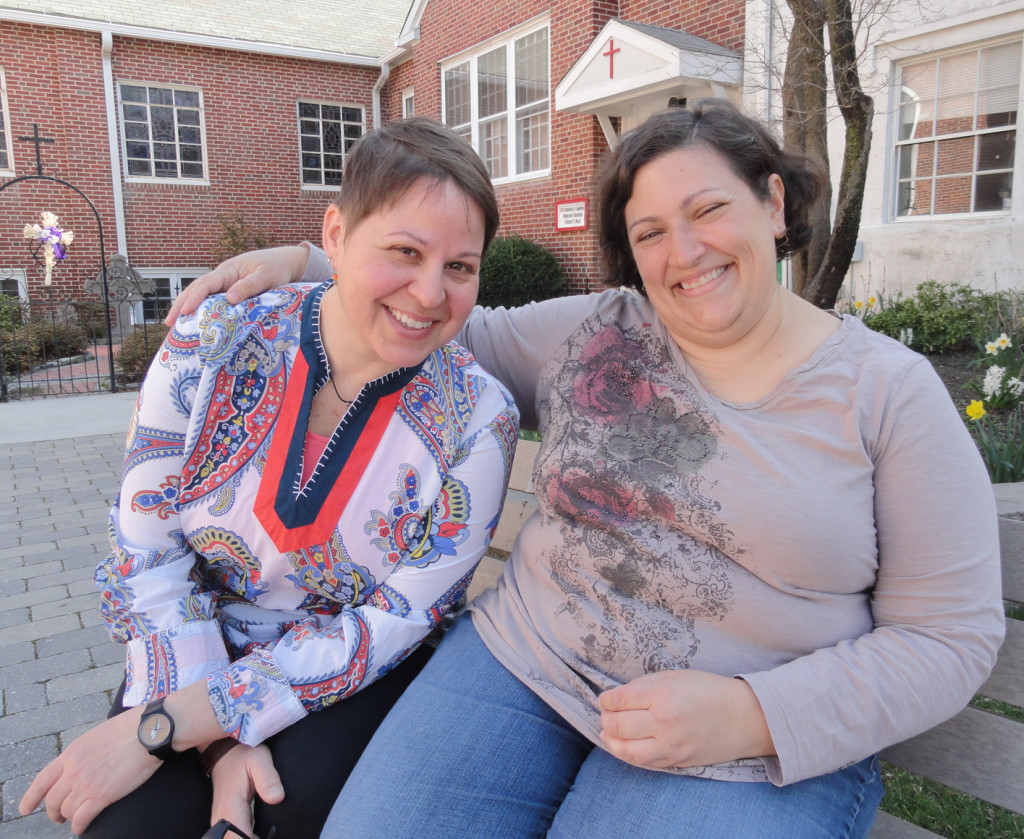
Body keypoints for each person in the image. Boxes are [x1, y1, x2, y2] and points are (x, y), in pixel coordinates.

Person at [164, 100, 1004, 838]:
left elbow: (950, 635)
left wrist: (753, 714)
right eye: (649, 233)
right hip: (519, 668)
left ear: (773, 203)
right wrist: (311, 262)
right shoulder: (601, 329)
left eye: (709, 209)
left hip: (751, 743)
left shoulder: (888, 392)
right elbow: (450, 319)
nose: (685, 251)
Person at [18, 117, 518, 839]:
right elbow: (146, 551)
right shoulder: (211, 341)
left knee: (278, 812)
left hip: (343, 677)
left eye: (461, 267)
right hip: (185, 651)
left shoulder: (478, 421)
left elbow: (394, 622)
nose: (430, 292)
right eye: (404, 251)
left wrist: (174, 726)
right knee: (126, 826)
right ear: (337, 236)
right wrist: (214, 736)